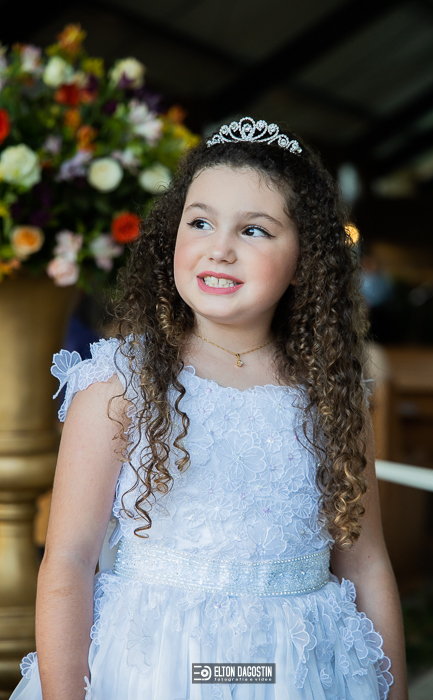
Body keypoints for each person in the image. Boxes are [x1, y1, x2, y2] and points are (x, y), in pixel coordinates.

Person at [11, 117, 408, 700]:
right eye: (200, 222)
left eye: (254, 230)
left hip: (302, 670)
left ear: (305, 259)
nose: (219, 248)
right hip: (157, 667)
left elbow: (366, 562)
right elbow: (69, 560)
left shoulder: (330, 393)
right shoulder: (121, 383)